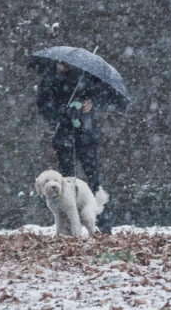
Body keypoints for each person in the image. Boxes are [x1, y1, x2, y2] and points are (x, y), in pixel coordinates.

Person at [36, 61, 113, 234]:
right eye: (59, 63)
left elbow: (102, 95)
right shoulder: (49, 79)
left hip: (86, 135)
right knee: (66, 183)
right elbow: (43, 105)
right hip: (63, 136)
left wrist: (91, 103)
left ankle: (103, 224)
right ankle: (69, 227)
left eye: (65, 63)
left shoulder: (86, 76)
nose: (61, 65)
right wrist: (61, 112)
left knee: (94, 180)